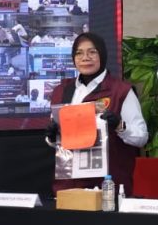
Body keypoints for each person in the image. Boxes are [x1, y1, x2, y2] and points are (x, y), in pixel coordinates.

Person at [47, 32, 147, 195]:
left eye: (92, 52)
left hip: (108, 186)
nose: (85, 58)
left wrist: (119, 126)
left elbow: (141, 137)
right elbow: (58, 142)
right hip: (68, 185)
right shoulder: (61, 91)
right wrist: (52, 138)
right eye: (79, 53)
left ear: (102, 54)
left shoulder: (121, 91)